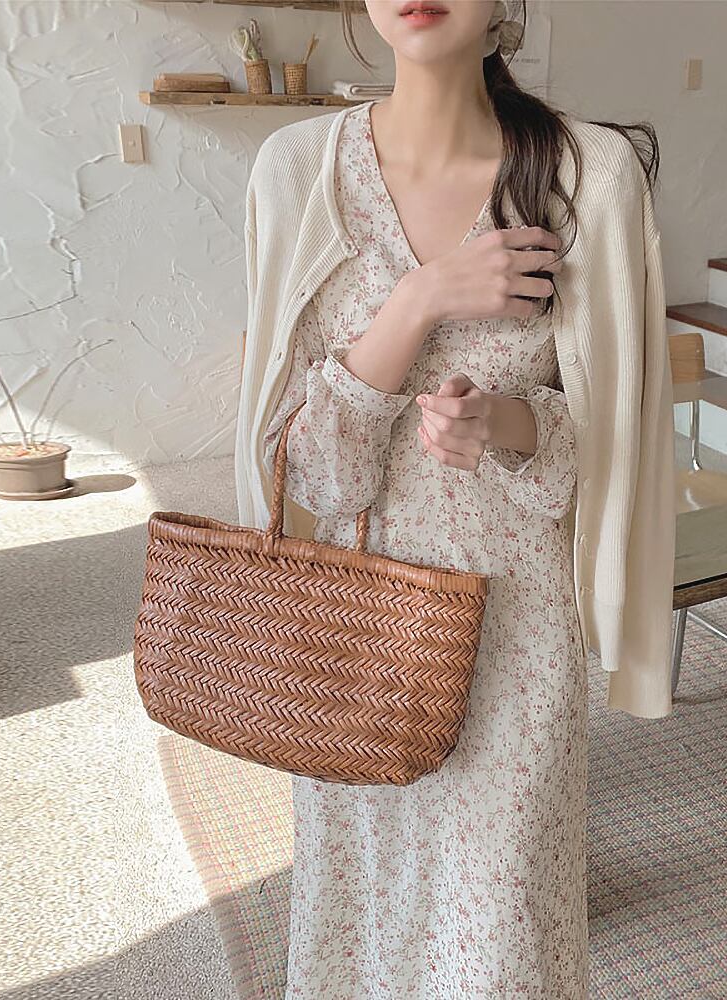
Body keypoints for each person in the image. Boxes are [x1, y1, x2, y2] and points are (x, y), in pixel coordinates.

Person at [234, 1, 676, 996]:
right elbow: (310, 477)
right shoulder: (296, 171)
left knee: (500, 935)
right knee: (364, 923)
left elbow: (618, 445)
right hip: (350, 632)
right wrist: (420, 299)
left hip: (516, 636)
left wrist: (504, 427)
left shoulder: (587, 176)